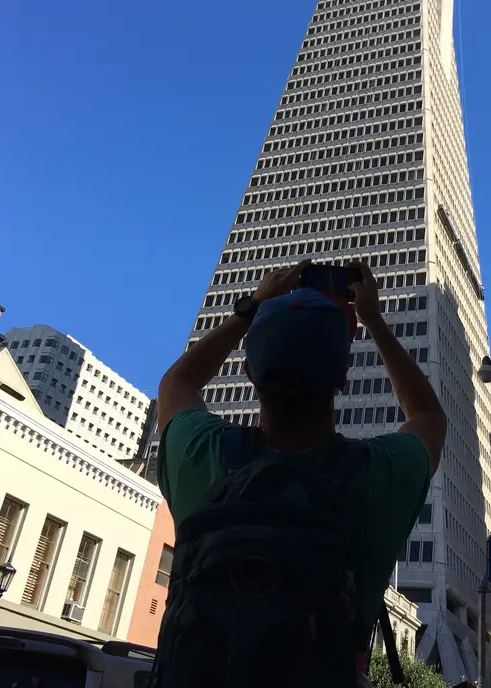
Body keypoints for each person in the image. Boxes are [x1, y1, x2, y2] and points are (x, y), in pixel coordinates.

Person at [155, 260, 447, 687]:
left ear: (250, 373)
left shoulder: (203, 453)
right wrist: (374, 320)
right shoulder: (374, 474)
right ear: (344, 377)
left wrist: (251, 306)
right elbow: (428, 416)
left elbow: (177, 383)